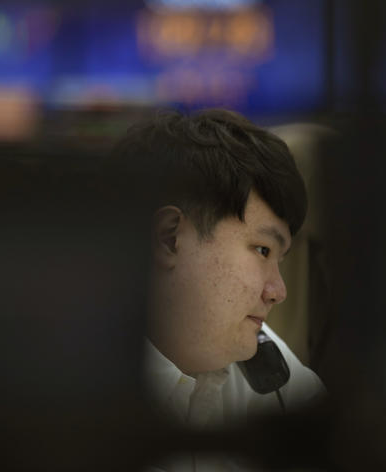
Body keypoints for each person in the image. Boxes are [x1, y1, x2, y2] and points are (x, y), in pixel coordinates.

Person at [111, 109, 326, 436]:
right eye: (262, 250)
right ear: (169, 238)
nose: (278, 291)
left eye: (279, 259)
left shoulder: (268, 370)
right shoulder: (63, 394)